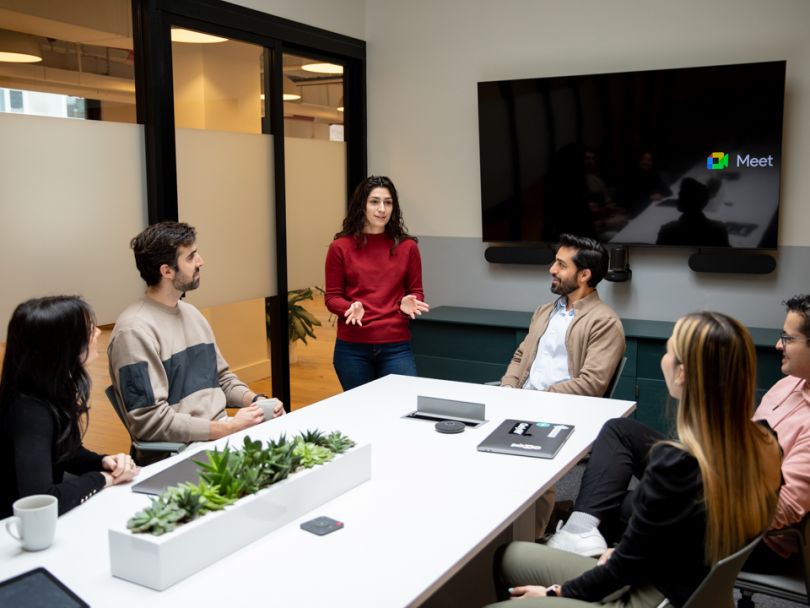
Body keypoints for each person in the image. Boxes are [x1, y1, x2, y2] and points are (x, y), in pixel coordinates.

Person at [487, 312, 782, 608]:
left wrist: (554, 592)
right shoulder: (766, 443)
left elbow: (618, 573)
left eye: (670, 350)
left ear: (682, 373)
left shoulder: (676, 465)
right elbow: (689, 535)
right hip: (677, 578)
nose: (664, 357)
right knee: (507, 555)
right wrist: (631, 552)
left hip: (647, 595)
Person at [108, 221, 284, 450]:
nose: (201, 262)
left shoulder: (191, 314)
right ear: (167, 271)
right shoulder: (133, 332)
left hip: (221, 435)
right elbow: (149, 421)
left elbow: (222, 379)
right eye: (191, 257)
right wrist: (228, 428)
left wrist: (256, 401)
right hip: (183, 450)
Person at [1, 296, 140, 518]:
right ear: (63, 346)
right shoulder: (29, 412)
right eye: (89, 329)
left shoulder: (47, 389)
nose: (97, 333)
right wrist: (103, 478)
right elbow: (42, 499)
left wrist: (102, 462)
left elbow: (63, 451)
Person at [324, 175, 429, 391]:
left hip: (396, 346)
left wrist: (411, 302)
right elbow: (332, 297)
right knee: (362, 415)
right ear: (361, 205)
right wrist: (348, 308)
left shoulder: (408, 247)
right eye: (374, 201)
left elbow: (416, 291)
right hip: (352, 349)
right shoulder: (340, 247)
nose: (382, 209)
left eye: (388, 202)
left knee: (404, 406)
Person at [500, 234, 625, 398]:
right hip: (522, 402)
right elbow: (520, 357)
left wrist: (538, 397)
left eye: (562, 265)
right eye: (555, 262)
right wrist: (508, 388)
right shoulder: (543, 312)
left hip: (562, 410)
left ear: (584, 275)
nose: (552, 269)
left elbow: (591, 384)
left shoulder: (604, 322)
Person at [745, 294, 810, 571]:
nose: (777, 345)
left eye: (788, 338)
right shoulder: (787, 385)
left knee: (636, 509)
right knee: (623, 431)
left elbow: (781, 509)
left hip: (759, 537)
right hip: (725, 487)